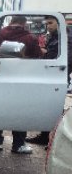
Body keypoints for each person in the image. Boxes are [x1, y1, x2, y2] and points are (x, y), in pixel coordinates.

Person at [0, 15, 40, 154]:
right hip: (22, 80)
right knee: (20, 110)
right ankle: (18, 144)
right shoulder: (30, 38)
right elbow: (38, 58)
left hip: (0, 77)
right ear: (24, 23)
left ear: (11, 21)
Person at [26, 16, 60, 145]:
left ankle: (55, 140)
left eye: (51, 23)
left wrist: (43, 52)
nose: (48, 26)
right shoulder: (52, 36)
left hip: (56, 74)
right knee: (48, 107)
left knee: (55, 107)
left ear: (58, 23)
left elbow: (57, 56)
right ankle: (45, 137)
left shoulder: (64, 38)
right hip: (50, 74)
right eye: (47, 24)